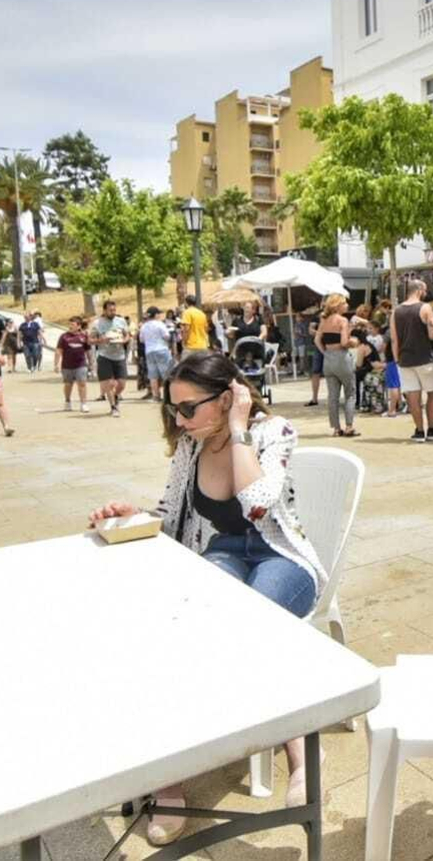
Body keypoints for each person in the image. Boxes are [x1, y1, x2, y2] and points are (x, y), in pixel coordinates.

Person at [88, 351, 328, 832]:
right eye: (171, 410)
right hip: (222, 552)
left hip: (281, 558)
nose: (179, 420)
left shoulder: (273, 432)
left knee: (254, 625)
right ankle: (173, 779)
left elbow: (259, 505)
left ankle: (301, 758)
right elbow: (170, 511)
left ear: (226, 398)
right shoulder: (189, 447)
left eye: (188, 408)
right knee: (187, 630)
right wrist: (129, 512)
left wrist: (239, 428)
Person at [390, 279, 433, 442]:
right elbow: (432, 335)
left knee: (413, 396)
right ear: (420, 290)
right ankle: (432, 428)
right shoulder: (425, 307)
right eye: (425, 290)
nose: (426, 293)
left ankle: (419, 431)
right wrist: (432, 324)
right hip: (425, 358)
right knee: (432, 393)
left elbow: (394, 339)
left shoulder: (396, 311)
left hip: (405, 360)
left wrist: (396, 359)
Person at [316, 294, 359, 438]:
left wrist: (325, 352)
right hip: (342, 357)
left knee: (332, 396)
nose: (347, 305)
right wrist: (354, 342)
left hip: (328, 358)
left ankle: (336, 428)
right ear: (337, 305)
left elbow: (317, 340)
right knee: (350, 393)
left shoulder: (324, 320)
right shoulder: (342, 320)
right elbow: (344, 342)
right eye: (344, 303)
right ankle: (349, 426)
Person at [91, 300, 130, 416]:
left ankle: (116, 396)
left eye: (114, 310)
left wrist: (124, 340)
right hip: (104, 356)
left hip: (120, 355)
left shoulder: (121, 321)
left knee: (122, 384)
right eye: (110, 310)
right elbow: (89, 340)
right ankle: (113, 407)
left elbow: (127, 335)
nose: (113, 312)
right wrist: (100, 340)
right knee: (108, 384)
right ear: (104, 311)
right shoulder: (97, 323)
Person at [55, 315, 92, 413]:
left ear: (79, 326)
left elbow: (88, 351)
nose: (70, 326)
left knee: (82, 384)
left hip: (81, 365)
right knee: (68, 384)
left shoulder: (84, 336)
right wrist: (56, 364)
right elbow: (58, 351)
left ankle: (83, 403)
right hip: (67, 365)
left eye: (73, 324)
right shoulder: (64, 337)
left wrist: (91, 363)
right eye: (69, 324)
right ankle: (67, 401)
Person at [138, 306, 173, 402]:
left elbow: (141, 339)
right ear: (156, 315)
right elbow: (167, 336)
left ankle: (156, 395)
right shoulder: (160, 324)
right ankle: (168, 396)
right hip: (161, 349)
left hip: (149, 351)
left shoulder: (144, 326)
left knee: (153, 375)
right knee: (165, 373)